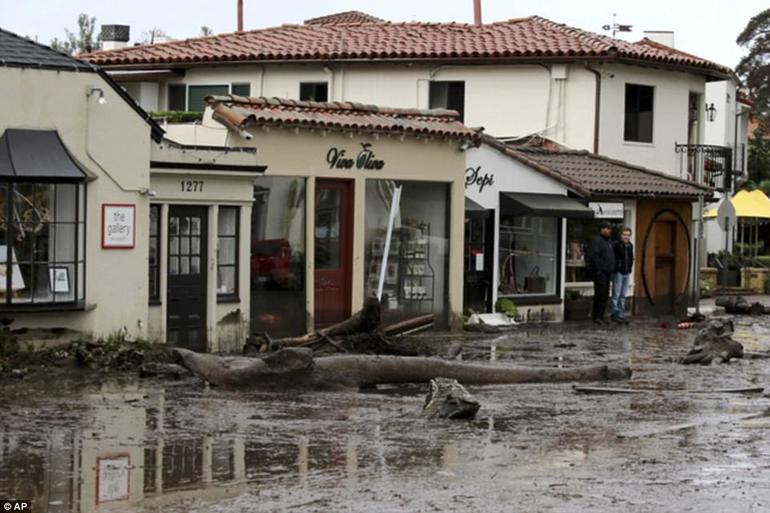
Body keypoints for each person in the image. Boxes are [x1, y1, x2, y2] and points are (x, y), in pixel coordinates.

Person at [587, 222, 615, 325]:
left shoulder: (609, 242)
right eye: (607, 228)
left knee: (605, 295)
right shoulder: (597, 240)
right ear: (602, 229)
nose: (609, 230)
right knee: (599, 295)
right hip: (600, 273)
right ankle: (597, 316)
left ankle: (602, 316)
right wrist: (599, 270)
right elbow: (594, 256)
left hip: (608, 273)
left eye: (610, 229)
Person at [611, 227, 634, 324]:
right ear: (621, 235)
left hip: (626, 271)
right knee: (616, 293)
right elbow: (614, 258)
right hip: (618, 272)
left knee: (623, 294)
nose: (626, 237)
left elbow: (631, 257)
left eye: (628, 235)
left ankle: (621, 313)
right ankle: (614, 313)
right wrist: (616, 268)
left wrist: (629, 267)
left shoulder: (630, 245)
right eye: (624, 235)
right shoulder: (617, 245)